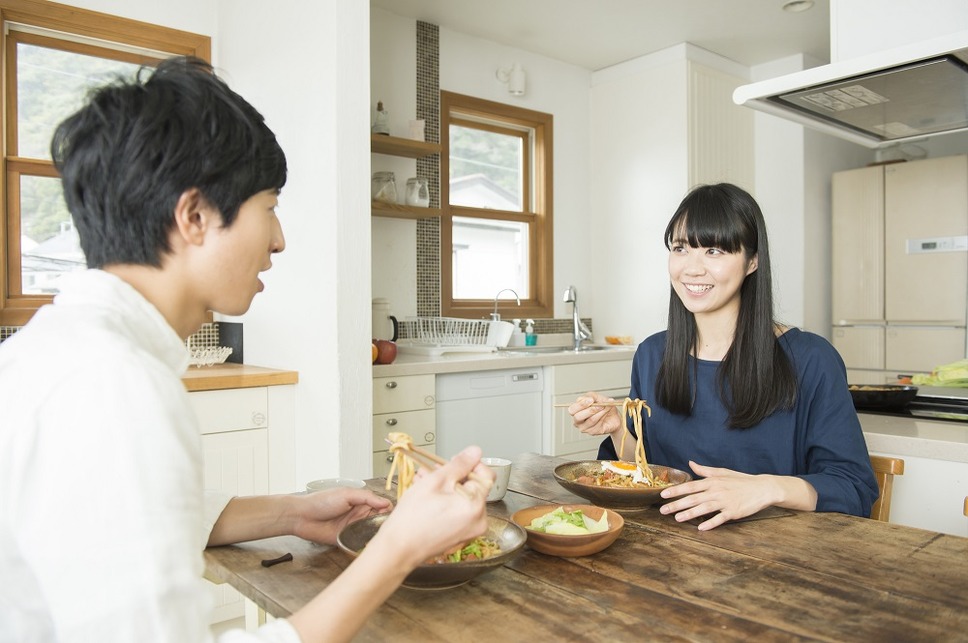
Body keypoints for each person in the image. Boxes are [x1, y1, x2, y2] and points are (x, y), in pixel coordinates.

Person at [0, 56, 494, 642]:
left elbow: (104, 525)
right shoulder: (114, 388)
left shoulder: (60, 352)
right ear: (195, 215)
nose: (279, 241)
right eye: (270, 208)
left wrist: (290, 512)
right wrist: (398, 551)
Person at [569, 183, 878, 531]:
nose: (692, 268)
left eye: (714, 251)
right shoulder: (652, 355)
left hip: (773, 557)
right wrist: (616, 431)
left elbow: (854, 488)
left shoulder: (811, 359)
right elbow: (643, 475)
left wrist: (766, 487)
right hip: (668, 551)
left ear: (752, 261)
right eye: (681, 248)